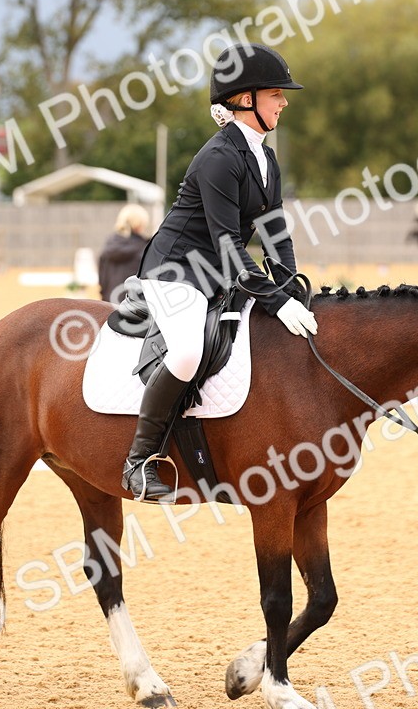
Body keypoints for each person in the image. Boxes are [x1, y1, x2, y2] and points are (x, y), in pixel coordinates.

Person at [121, 42, 316, 502]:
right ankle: (139, 461)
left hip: (219, 274)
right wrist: (275, 299)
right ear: (245, 99)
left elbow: (274, 234)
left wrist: (291, 288)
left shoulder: (265, 160)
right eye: (275, 94)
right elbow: (229, 244)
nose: (284, 102)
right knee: (187, 351)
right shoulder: (218, 158)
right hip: (176, 272)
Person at [97, 204, 151, 304]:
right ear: (140, 224)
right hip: (135, 306)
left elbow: (102, 279)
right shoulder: (145, 249)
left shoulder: (108, 247)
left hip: (110, 303)